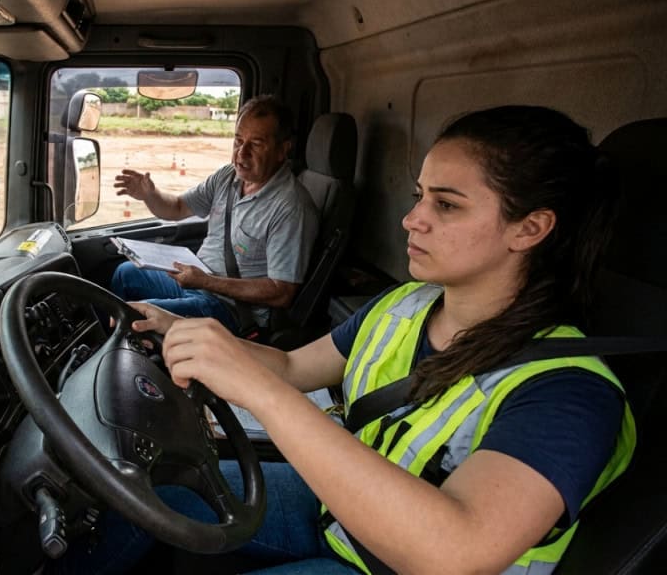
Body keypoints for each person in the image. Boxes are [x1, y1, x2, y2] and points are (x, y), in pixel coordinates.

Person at [64, 105, 636, 574]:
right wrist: (195, 333)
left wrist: (260, 394)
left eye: (446, 204)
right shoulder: (404, 305)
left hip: (395, 565)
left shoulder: (568, 392)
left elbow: (455, 551)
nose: (412, 219)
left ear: (530, 228)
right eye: (419, 196)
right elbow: (291, 370)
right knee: (139, 488)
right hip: (340, 509)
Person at [110, 95, 318, 334]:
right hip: (198, 282)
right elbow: (177, 207)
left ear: (283, 150)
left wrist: (206, 281)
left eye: (256, 144)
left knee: (139, 313)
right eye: (238, 141)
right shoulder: (227, 177)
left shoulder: (291, 206)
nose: (241, 154)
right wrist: (150, 194)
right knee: (125, 273)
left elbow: (281, 292)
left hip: (232, 309)